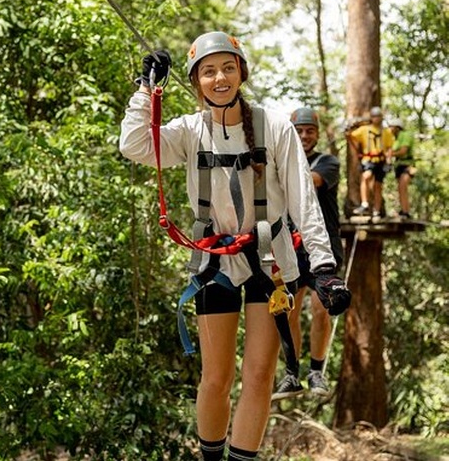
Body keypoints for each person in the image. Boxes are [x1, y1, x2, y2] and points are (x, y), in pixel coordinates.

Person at [119, 31, 350, 461]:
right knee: (216, 377)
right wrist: (146, 90)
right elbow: (134, 145)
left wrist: (323, 267)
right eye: (208, 71)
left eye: (228, 68)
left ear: (241, 73)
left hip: (271, 261)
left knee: (259, 375)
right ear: (197, 81)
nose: (220, 78)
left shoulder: (274, 126)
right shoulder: (190, 130)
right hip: (216, 261)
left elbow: (302, 197)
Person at [272, 107, 344, 401]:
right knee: (288, 309)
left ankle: (316, 371)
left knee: (320, 307)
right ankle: (292, 373)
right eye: (299, 131)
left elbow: (309, 181)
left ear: (317, 134)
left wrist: (278, 164)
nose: (304, 136)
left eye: (309, 131)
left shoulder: (327, 163)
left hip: (322, 246)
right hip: (291, 245)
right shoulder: (281, 161)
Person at [347, 107, 395, 221]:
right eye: (374, 116)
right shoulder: (364, 129)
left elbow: (389, 148)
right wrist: (350, 127)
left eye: (378, 116)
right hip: (368, 159)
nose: (376, 119)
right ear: (371, 118)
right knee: (366, 176)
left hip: (381, 160)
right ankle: (364, 204)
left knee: (378, 185)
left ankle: (377, 210)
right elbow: (350, 135)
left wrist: (389, 162)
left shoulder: (386, 132)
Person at [388, 118, 416, 219]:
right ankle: (403, 210)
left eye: (391, 127)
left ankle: (406, 211)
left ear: (397, 128)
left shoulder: (405, 135)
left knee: (403, 187)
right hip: (399, 166)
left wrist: (390, 154)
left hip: (408, 165)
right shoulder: (394, 139)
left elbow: (403, 151)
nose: (390, 129)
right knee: (400, 188)